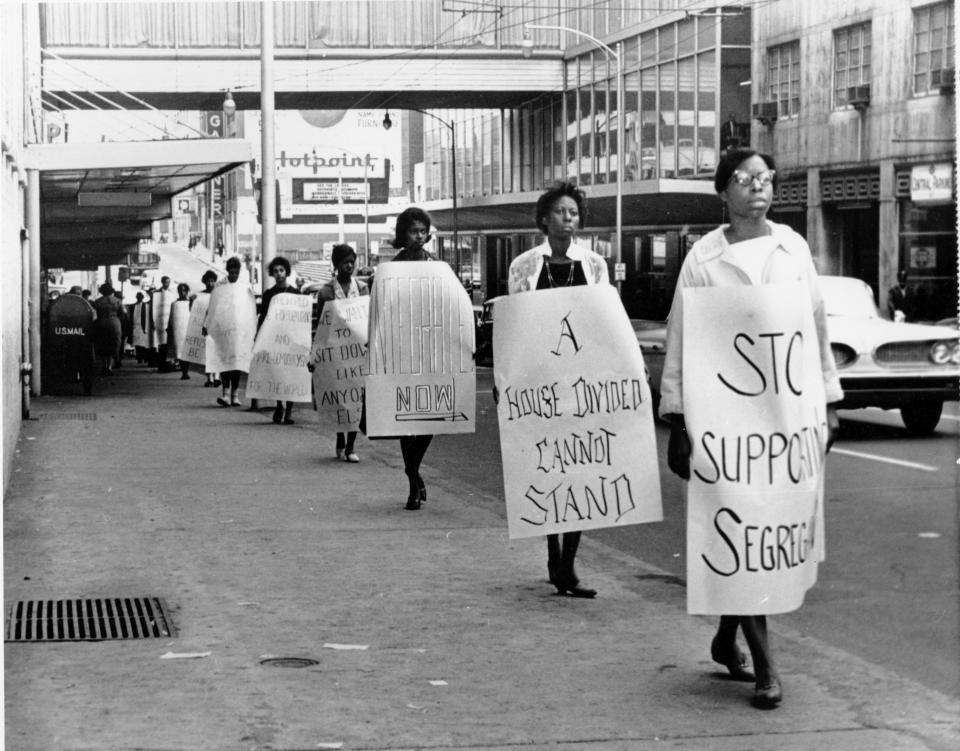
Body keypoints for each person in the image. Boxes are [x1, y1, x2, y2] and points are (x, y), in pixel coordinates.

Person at [659, 148, 843, 709]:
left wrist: (830, 402)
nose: (757, 188)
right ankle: (766, 668)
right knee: (739, 532)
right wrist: (678, 418)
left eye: (765, 179)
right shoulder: (703, 258)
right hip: (724, 425)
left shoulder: (794, 249)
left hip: (784, 425)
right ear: (723, 191)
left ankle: (724, 636)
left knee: (766, 538)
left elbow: (814, 328)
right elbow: (681, 336)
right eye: (745, 179)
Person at [505, 181, 609, 598]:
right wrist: (507, 381)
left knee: (580, 471)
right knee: (547, 470)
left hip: (582, 385)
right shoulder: (524, 266)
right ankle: (553, 554)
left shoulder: (595, 265)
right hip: (539, 384)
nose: (569, 219)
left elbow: (605, 323)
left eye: (574, 212)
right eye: (561, 212)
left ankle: (569, 564)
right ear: (545, 219)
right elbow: (513, 325)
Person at [381, 207, 436, 510]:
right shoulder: (393, 268)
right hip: (402, 350)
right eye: (413, 231)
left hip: (431, 351)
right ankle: (414, 481)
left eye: (422, 231)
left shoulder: (437, 265)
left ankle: (412, 470)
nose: (418, 236)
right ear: (403, 234)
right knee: (405, 419)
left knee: (431, 415)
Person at [309, 243, 368, 462]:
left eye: (352, 262)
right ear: (337, 265)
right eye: (345, 262)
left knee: (356, 398)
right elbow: (321, 325)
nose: (349, 266)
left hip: (357, 352)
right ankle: (340, 438)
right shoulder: (326, 292)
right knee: (339, 397)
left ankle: (351, 445)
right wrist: (315, 354)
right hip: (334, 352)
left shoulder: (362, 288)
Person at [203, 256, 254, 407]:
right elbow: (212, 307)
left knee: (236, 362)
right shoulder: (219, 287)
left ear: (239, 272)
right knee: (225, 361)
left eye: (236, 273)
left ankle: (235, 395)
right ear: (227, 271)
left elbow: (250, 309)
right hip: (223, 328)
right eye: (231, 272)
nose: (233, 275)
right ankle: (225, 394)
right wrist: (207, 324)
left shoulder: (245, 287)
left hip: (239, 329)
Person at [258, 256, 299, 424]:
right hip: (275, 340)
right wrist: (259, 337)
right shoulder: (269, 294)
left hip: (291, 340)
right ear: (272, 274)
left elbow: (300, 319)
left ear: (287, 272)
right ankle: (279, 405)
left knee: (290, 375)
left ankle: (289, 409)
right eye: (275, 271)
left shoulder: (296, 294)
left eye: (281, 270)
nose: (279, 274)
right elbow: (264, 317)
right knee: (277, 374)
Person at [91, 282, 127, 375]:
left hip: (101, 323)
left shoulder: (97, 301)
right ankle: (109, 366)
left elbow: (93, 314)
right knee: (113, 343)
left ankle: (104, 365)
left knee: (102, 343)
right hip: (114, 323)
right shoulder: (117, 300)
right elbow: (124, 312)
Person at [197, 270, 221, 387]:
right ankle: (209, 378)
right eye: (208, 281)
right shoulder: (200, 295)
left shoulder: (218, 294)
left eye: (212, 281)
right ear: (204, 282)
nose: (210, 283)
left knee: (217, 352)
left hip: (217, 327)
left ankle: (217, 376)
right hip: (205, 327)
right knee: (207, 353)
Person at [167, 283, 192, 379]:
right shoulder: (174, 304)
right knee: (179, 351)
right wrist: (169, 329)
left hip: (187, 329)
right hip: (178, 330)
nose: (182, 292)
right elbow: (171, 318)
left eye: (184, 290)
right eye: (180, 290)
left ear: (187, 291)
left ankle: (185, 371)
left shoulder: (191, 303)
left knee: (187, 351)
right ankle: (184, 372)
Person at [152, 275, 176, 371]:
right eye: (166, 282)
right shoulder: (157, 293)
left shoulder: (171, 293)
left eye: (169, 282)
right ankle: (161, 365)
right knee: (161, 344)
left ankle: (169, 364)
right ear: (162, 282)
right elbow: (154, 308)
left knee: (169, 343)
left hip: (169, 320)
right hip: (160, 322)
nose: (167, 284)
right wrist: (154, 321)